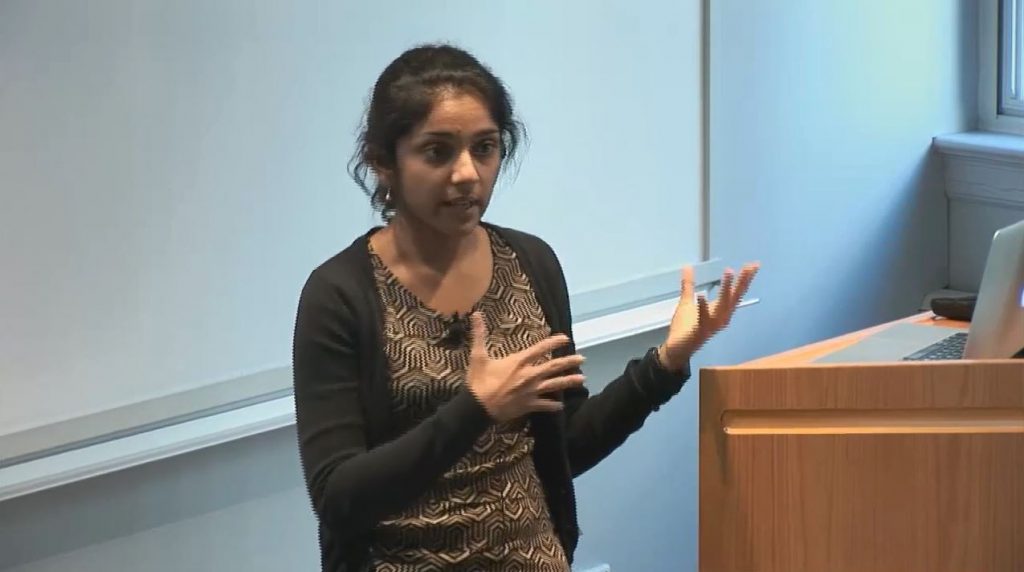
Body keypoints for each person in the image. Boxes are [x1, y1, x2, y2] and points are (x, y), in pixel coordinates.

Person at [291, 43, 759, 572]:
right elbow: (339, 499)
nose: (467, 173)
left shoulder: (529, 262)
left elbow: (568, 447)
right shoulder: (340, 295)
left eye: (485, 148)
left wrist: (667, 361)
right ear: (383, 164)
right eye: (437, 152)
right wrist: (474, 410)